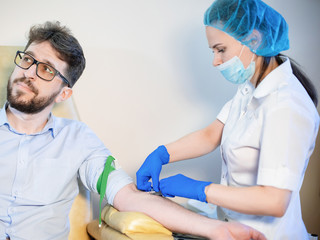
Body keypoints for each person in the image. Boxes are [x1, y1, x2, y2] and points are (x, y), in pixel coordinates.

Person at [0, 21, 266, 240]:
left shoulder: (78, 140)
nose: (28, 73)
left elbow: (128, 197)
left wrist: (217, 229)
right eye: (27, 60)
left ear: (64, 93)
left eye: (47, 69)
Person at [136, 0, 319, 239]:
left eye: (220, 49)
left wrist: (200, 190)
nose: (215, 61)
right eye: (213, 51)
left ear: (254, 40)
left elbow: (275, 200)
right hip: (232, 226)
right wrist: (162, 154)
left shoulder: (286, 105)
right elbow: (211, 135)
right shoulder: (250, 88)